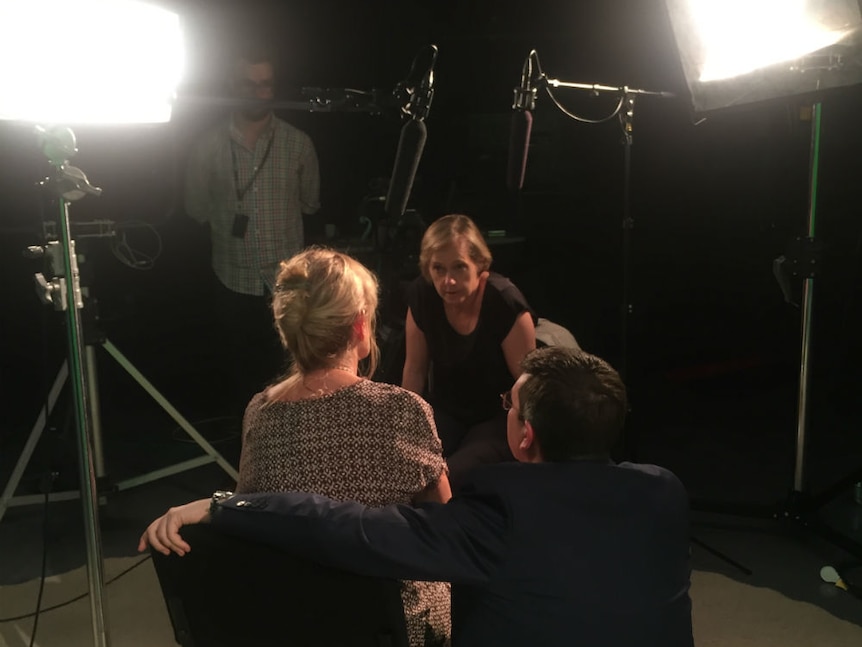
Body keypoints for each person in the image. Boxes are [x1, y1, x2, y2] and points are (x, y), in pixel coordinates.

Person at [140, 346, 693, 647]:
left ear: (525, 436)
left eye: (510, 405)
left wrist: (223, 505)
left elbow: (343, 526)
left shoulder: (499, 518)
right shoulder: (664, 494)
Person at [173, 247, 452, 646]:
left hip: (291, 621)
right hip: (387, 626)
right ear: (359, 326)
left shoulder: (260, 412)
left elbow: (253, 514)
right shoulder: (401, 409)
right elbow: (444, 532)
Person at [184, 44, 321, 411]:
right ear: (232, 84)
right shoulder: (207, 146)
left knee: (295, 375)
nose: (259, 92)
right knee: (242, 379)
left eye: (266, 84)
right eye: (249, 84)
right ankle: (248, 453)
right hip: (233, 279)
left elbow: (311, 203)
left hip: (291, 283)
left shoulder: (298, 144)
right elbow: (195, 208)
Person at [401, 214, 536, 491]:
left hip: (498, 416)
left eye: (459, 268)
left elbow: (529, 384)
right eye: (438, 269)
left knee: (451, 478)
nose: (448, 281)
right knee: (407, 468)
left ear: (480, 265)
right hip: (446, 411)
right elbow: (414, 370)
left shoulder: (503, 301)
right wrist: (405, 431)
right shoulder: (423, 296)